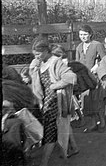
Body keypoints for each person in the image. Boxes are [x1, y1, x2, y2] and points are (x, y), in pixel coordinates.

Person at [29, 37, 77, 166]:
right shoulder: (39, 62)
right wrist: (34, 69)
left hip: (56, 101)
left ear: (46, 51)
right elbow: (36, 84)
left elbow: (71, 77)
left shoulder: (55, 62)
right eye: (34, 55)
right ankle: (69, 152)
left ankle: (43, 163)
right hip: (46, 102)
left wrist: (55, 86)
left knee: (50, 132)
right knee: (59, 128)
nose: (36, 57)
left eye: (38, 54)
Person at [75, 24, 106, 133]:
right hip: (83, 79)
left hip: (95, 77)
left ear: (90, 34)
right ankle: (93, 123)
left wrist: (97, 66)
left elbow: (105, 59)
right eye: (81, 35)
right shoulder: (79, 47)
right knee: (86, 101)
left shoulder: (97, 45)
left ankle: (102, 122)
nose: (83, 37)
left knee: (97, 99)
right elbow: (77, 64)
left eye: (85, 34)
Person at [51, 44, 80, 159]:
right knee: (65, 123)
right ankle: (73, 146)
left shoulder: (60, 63)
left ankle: (66, 149)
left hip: (61, 95)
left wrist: (53, 85)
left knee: (62, 123)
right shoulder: (62, 62)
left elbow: (68, 79)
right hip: (65, 94)